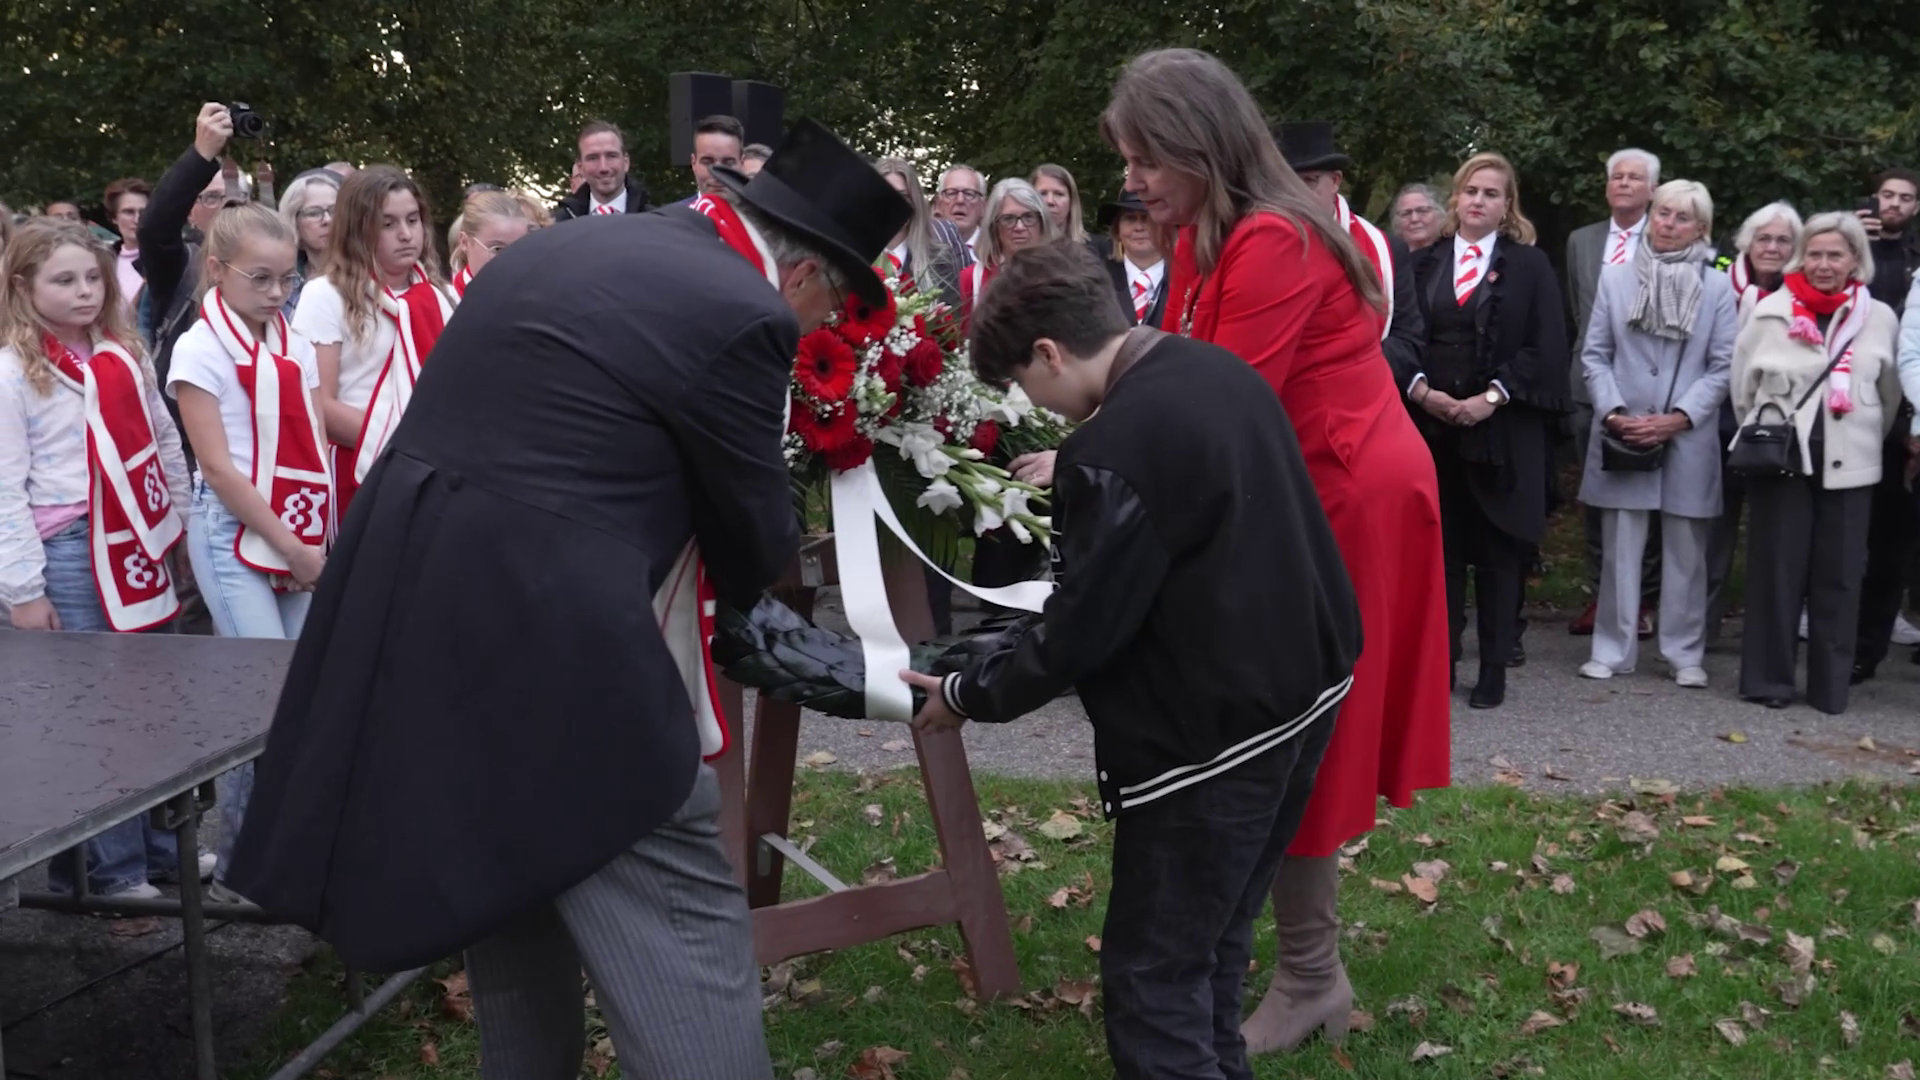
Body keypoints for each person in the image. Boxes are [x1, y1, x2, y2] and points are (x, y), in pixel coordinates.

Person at [225, 119, 910, 1080]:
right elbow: (753, 533)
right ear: (802, 275)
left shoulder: (573, 244)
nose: (825, 324)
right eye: (836, 300)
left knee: (510, 891)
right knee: (679, 910)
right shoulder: (741, 312)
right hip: (561, 653)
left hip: (420, 612)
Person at [905, 241, 1361, 1080]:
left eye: (1022, 382)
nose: (1029, 403)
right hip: (1305, 695)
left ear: (1049, 352)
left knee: (1153, 975)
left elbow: (1085, 628)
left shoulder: (1111, 448)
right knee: (1214, 942)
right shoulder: (1213, 368)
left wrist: (969, 693)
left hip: (1212, 740)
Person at [1100, 48, 1451, 1056]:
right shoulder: (1210, 233)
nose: (1134, 183)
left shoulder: (1274, 241)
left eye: (1146, 159)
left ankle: (1308, 977)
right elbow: (1162, 366)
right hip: (1296, 490)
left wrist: (1093, 456)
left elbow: (1206, 401)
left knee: (1303, 726)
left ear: (1199, 146)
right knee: (1287, 720)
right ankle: (1297, 964)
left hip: (1345, 498)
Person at [0, 221, 201, 898]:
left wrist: (179, 528)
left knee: (153, 702)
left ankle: (160, 846)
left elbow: (162, 440)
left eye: (93, 277)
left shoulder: (123, 352)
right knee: (97, 714)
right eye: (65, 280)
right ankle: (106, 872)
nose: (85, 291)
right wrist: (23, 591)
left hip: (138, 540)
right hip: (70, 549)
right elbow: (4, 490)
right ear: (23, 286)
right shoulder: (11, 371)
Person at [166, 204, 330, 892]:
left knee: (299, 697)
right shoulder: (199, 348)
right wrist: (291, 545)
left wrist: (310, 537)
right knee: (255, 707)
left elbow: (314, 437)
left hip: (293, 525)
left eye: (286, 280)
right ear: (217, 271)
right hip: (234, 532)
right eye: (260, 279)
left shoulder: (289, 337)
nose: (275, 294)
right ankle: (239, 865)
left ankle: (287, 854)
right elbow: (221, 468)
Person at [1403, 152, 1572, 709]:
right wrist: (1424, 391)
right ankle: (1442, 663)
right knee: (1443, 557)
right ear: (1456, 198)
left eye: (1491, 194)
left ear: (1507, 206)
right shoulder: (1424, 264)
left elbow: (1547, 345)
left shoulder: (1530, 267)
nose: (1478, 200)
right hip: (1433, 433)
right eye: (1471, 190)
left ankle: (1494, 668)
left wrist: (1489, 399)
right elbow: (1399, 336)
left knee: (1499, 559)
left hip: (1501, 435)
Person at [1732, 212, 1901, 713]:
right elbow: (1743, 392)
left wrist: (1862, 433)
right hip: (1783, 461)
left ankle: (1829, 688)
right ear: (1801, 257)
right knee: (1776, 573)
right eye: (1816, 254)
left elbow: (1888, 396)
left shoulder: (1880, 317)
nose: (1825, 264)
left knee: (1841, 577)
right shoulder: (1769, 311)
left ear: (1855, 261)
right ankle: (1769, 681)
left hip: (1853, 464)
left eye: (1836, 255)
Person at [1575, 180, 1736, 688]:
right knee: (1621, 548)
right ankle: (1612, 649)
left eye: (1681, 217)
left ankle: (1683, 652)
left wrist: (1681, 416)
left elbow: (1724, 364)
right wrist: (1613, 410)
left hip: (1688, 433)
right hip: (1624, 429)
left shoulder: (1717, 286)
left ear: (1701, 229)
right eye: (1662, 213)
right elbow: (1595, 354)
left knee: (1686, 550)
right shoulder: (1616, 279)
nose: (1667, 224)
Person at [292, 165, 456, 523]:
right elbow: (319, 403)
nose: (405, 234)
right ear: (358, 229)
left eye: (412, 220)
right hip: (361, 468)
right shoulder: (324, 295)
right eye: (388, 224)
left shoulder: (440, 295)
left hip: (436, 472)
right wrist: (409, 446)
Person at [1565, 148, 1661, 637]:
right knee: (1596, 496)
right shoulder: (1582, 241)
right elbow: (1580, 315)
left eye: (1634, 178)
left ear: (1652, 190)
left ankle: (1643, 599)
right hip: (1589, 385)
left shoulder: (1666, 239)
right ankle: (1601, 595)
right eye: (1616, 177)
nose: (1623, 184)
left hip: (1649, 387)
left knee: (1646, 497)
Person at [1705, 202, 1802, 641]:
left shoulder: (1804, 296)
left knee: (1774, 541)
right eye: (1764, 238)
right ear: (1747, 242)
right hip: (1718, 422)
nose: (1773, 247)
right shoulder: (1718, 286)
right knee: (1712, 540)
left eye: (1783, 240)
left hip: (1780, 431)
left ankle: (1764, 640)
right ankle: (1700, 635)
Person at [1273, 122, 1425, 398]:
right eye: (1286, 183)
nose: (1295, 195)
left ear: (1335, 181)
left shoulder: (1387, 249)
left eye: (1308, 182)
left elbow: (1407, 340)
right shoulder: (1259, 245)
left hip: (1360, 404)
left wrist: (1348, 375)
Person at [1851, 166, 1920, 681]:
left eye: (1905, 198)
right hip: (1850, 405)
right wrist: (1854, 241)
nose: (1893, 204)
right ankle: (1832, 627)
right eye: (1887, 196)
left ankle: (1869, 646)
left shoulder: (1917, 260)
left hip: (1905, 414)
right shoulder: (1847, 248)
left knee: (1891, 539)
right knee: (1846, 528)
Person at [961, 178, 1056, 321]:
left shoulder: (1063, 273)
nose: (1019, 227)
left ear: (1043, 222)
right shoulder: (972, 278)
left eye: (1028, 217)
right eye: (1008, 219)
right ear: (994, 226)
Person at [875, 157, 965, 308]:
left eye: (903, 196)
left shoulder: (940, 259)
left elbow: (950, 326)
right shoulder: (852, 257)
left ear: (915, 201)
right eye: (885, 194)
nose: (894, 203)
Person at [552, 120, 652, 220]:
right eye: (593, 158)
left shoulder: (654, 223)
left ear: (626, 162)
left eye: (611, 156)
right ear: (580, 167)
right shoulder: (558, 225)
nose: (603, 167)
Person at [447, 190, 536, 295]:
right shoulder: (443, 303)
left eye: (518, 248)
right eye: (497, 249)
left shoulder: (536, 296)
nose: (510, 260)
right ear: (465, 242)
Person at [277, 168, 341, 315]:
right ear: (293, 220)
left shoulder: (364, 274)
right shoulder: (282, 281)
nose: (327, 220)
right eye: (313, 213)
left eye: (334, 210)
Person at [1098, 190, 1166, 327]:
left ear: (1166, 227)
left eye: (1147, 218)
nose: (1139, 227)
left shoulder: (1186, 278)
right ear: (1117, 229)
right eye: (1130, 218)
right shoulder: (1097, 279)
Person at [1031, 163, 1106, 257]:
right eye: (1043, 193)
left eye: (1059, 194)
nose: (1050, 201)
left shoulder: (1100, 249)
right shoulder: (1021, 251)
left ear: (1071, 201)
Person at [103, 177, 150, 319]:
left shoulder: (165, 260)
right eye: (129, 212)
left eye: (143, 212)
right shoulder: (102, 260)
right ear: (114, 218)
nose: (137, 219)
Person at [687, 115, 746, 198]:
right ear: (693, 163)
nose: (717, 174)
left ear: (742, 164)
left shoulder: (758, 211)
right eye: (707, 162)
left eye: (728, 163)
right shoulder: (673, 211)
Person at [1390, 183, 1443, 250]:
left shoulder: (1454, 255)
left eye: (1422, 211)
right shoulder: (1389, 257)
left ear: (1439, 214)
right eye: (1406, 213)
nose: (1414, 219)